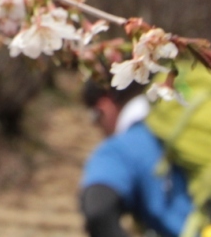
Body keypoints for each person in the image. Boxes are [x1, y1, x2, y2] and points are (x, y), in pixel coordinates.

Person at [78, 78, 193, 237]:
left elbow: (98, 211)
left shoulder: (120, 149)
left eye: (95, 118)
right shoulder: (189, 124)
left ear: (104, 107)